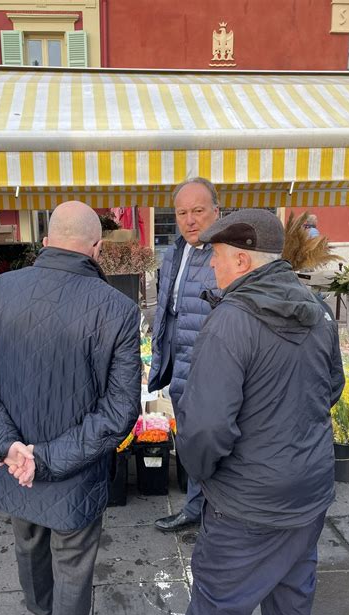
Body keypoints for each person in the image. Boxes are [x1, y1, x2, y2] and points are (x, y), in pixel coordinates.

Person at [0, 201, 141, 615]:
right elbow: (120, 409)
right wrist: (46, 458)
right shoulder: (119, 309)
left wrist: (10, 448)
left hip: (13, 464)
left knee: (28, 537)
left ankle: (40, 611)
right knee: (72, 564)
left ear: (46, 242)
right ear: (96, 248)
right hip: (73, 471)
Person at [176, 209, 345, 615]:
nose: (211, 264)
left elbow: (204, 428)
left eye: (215, 254)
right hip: (308, 497)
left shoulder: (231, 321)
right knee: (290, 611)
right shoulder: (317, 309)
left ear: (242, 261)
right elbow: (332, 389)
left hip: (247, 508)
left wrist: (202, 476)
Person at [148, 177, 219, 532]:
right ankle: (196, 507)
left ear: (216, 212)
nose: (190, 220)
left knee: (206, 439)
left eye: (198, 211)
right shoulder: (175, 250)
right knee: (189, 438)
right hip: (177, 358)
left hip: (208, 365)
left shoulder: (224, 253)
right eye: (181, 213)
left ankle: (206, 510)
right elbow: (168, 307)